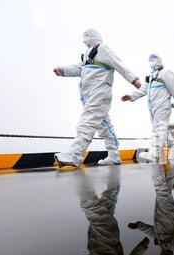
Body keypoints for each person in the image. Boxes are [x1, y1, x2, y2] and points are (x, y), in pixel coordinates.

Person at [53, 29, 141, 168]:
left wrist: (134, 80)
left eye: (88, 35)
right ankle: (114, 156)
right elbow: (79, 68)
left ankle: (74, 155)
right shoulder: (88, 55)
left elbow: (119, 64)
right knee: (105, 127)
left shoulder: (104, 49)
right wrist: (63, 70)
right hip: (89, 96)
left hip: (99, 93)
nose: (85, 38)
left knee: (86, 122)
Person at [63, 167, 149, 255]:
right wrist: (143, 245)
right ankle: (82, 178)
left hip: (96, 235)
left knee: (107, 203)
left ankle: (113, 174)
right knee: (90, 207)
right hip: (107, 236)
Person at [122, 54, 174, 162]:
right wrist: (131, 96)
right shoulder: (151, 76)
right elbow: (143, 90)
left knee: (158, 128)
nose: (151, 62)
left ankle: (154, 153)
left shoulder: (166, 73)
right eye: (150, 60)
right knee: (162, 130)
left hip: (163, 106)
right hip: (153, 108)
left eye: (153, 60)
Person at [128, 164, 174, 255]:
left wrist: (138, 226)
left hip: (159, 211)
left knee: (167, 187)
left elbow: (152, 231)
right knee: (160, 188)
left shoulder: (161, 243)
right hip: (167, 212)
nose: (163, 254)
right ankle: (155, 161)